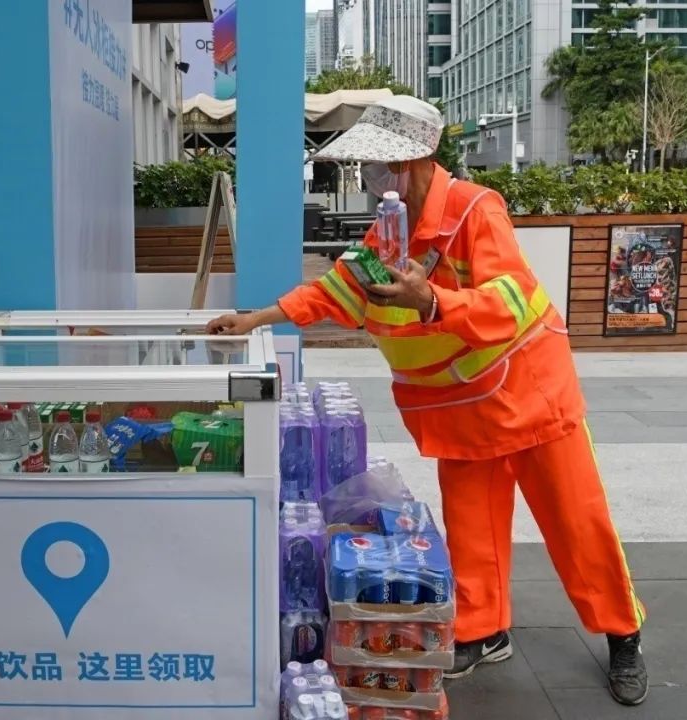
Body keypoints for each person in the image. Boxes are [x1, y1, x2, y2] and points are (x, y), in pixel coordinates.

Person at [207, 96, 649, 706]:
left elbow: (510, 299)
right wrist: (256, 318)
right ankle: (482, 631)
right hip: (462, 412)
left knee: (577, 524)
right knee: (471, 531)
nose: (369, 176)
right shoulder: (385, 234)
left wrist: (434, 301)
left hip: (530, 398)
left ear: (411, 161)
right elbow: (335, 292)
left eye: (376, 163)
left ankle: (623, 634)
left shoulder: (476, 209)